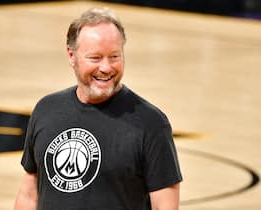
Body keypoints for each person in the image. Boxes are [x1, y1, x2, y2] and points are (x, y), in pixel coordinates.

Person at [14, 7, 182, 210]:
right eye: (95, 58)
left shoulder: (151, 123)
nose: (106, 67)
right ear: (71, 55)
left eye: (114, 57)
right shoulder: (46, 111)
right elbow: (29, 194)